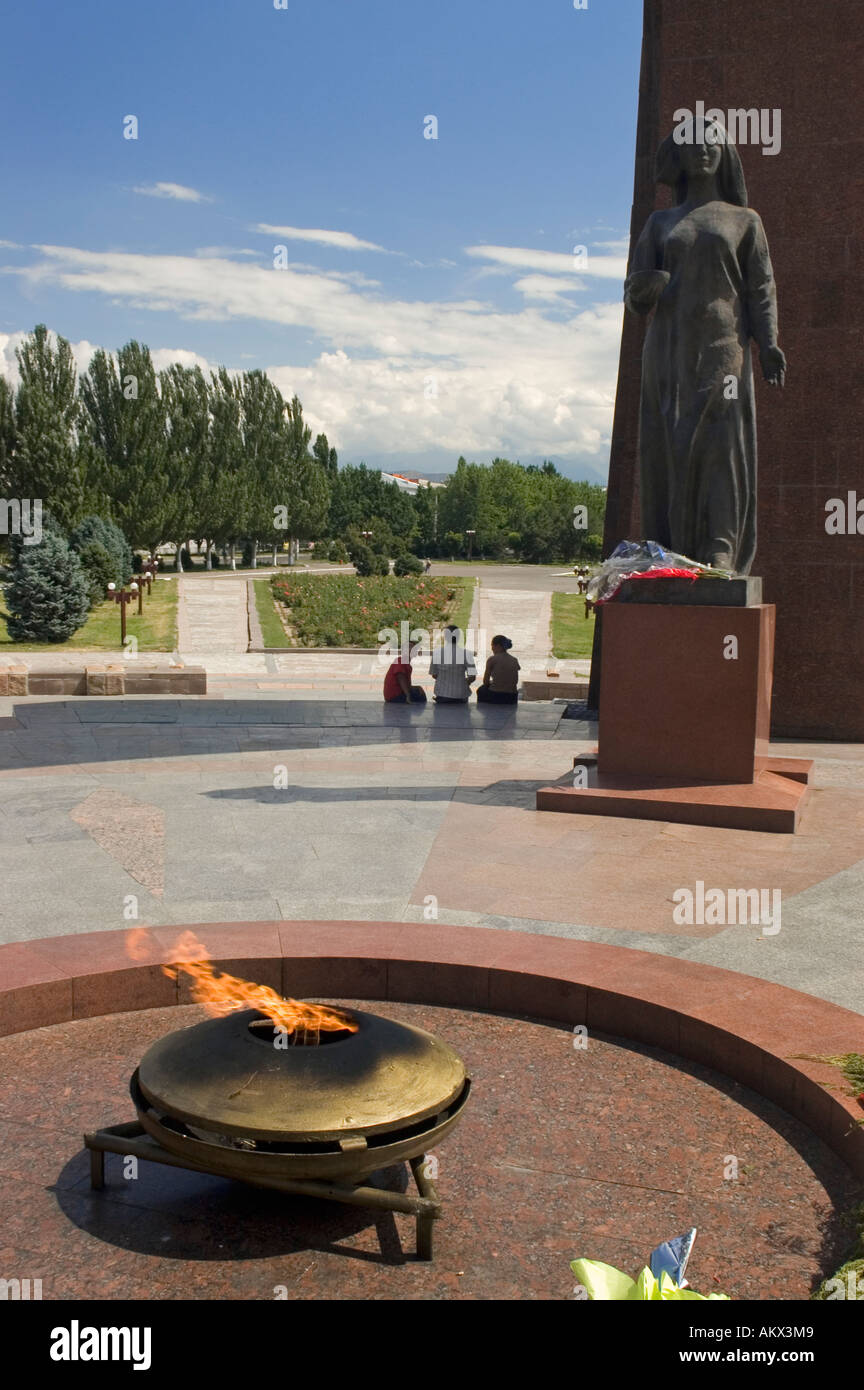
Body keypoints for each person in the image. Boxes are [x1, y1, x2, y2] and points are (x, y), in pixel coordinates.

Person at [429, 624, 476, 703]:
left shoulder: (437, 653)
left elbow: (434, 675)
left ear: (446, 637)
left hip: (442, 695)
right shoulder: (467, 654)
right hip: (461, 696)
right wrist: (463, 684)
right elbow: (472, 677)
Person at [476, 634, 520, 704]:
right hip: (512, 696)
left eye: (492, 645)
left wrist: (492, 683)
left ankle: (485, 711)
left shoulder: (492, 659)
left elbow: (485, 682)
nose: (492, 648)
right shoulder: (514, 660)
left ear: (498, 646)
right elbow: (513, 674)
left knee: (481, 690)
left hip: (497, 695)